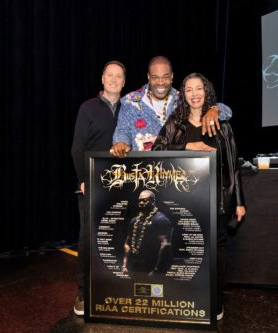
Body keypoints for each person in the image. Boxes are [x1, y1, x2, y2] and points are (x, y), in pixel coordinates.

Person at [152, 72, 246, 321]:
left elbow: (233, 164)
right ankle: (189, 295)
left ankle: (216, 299)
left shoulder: (221, 124)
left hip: (216, 198)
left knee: (217, 247)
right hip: (183, 201)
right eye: (189, 90)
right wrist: (187, 146)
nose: (194, 94)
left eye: (199, 89)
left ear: (207, 92)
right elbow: (157, 149)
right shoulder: (176, 122)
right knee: (186, 246)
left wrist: (239, 201)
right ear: (183, 95)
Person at [70, 60, 126, 316]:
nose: (114, 80)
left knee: (118, 235)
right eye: (110, 75)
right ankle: (83, 293)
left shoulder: (130, 108)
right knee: (88, 237)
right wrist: (83, 177)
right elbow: (77, 147)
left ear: (124, 82)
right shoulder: (88, 108)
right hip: (92, 181)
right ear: (102, 79)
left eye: (119, 76)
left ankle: (113, 285)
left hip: (124, 183)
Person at [110, 55, 232, 157]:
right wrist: (121, 143)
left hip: (176, 171)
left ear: (172, 76)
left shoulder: (182, 98)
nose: (161, 82)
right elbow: (122, 131)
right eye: (155, 77)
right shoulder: (130, 102)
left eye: (165, 77)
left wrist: (216, 109)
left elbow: (226, 111)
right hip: (143, 171)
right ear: (148, 77)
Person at [122, 190, 173, 277]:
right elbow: (127, 243)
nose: (141, 203)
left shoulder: (161, 220)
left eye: (145, 200)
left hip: (152, 268)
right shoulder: (134, 220)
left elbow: (165, 245)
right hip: (135, 267)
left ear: (153, 201)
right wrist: (124, 265)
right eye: (140, 200)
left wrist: (156, 270)